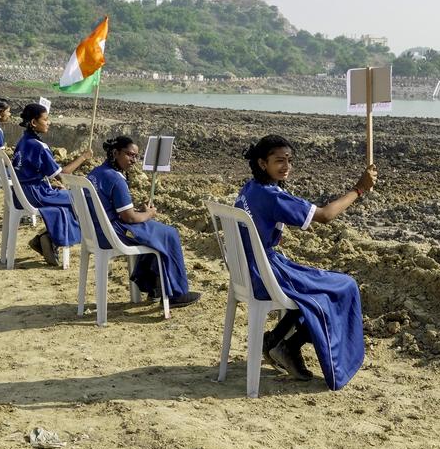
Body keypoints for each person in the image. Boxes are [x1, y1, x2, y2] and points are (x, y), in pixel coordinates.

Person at [235, 135, 376, 388]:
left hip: (248, 269)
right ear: (262, 163)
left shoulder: (250, 188)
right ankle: (288, 345)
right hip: (265, 273)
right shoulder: (273, 196)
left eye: (289, 160)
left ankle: (276, 341)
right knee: (344, 287)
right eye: (279, 160)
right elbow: (325, 215)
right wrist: (359, 189)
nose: (286, 166)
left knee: (316, 285)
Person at [86, 136, 201, 308]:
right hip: (112, 232)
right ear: (115, 153)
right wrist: (149, 214)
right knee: (169, 234)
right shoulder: (116, 179)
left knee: (156, 234)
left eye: (136, 156)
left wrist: (140, 212)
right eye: (130, 155)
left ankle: (152, 285)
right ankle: (176, 293)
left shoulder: (96, 172)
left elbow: (115, 208)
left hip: (96, 230)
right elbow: (129, 217)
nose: (133, 160)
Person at [11, 103, 89, 266]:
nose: (49, 122)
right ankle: (50, 239)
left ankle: (47, 237)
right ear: (34, 122)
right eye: (45, 119)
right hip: (36, 194)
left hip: (21, 192)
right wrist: (83, 157)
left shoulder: (23, 141)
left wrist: (50, 184)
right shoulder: (39, 146)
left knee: (67, 200)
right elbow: (63, 176)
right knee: (82, 199)